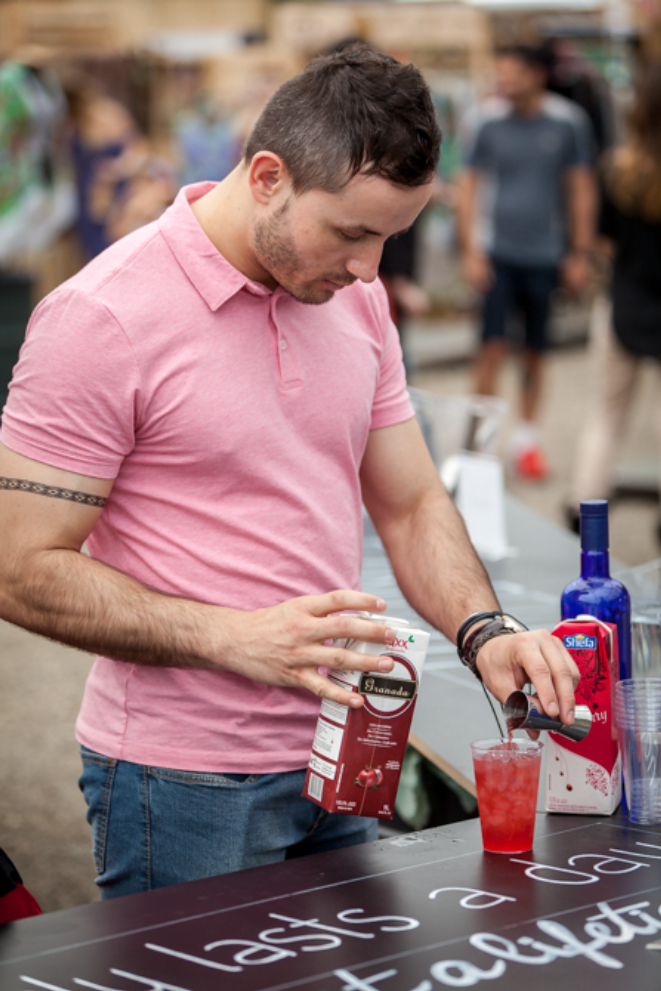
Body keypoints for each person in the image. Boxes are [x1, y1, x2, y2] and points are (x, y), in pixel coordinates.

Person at [0, 45, 579, 899]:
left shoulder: (357, 297)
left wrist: (483, 629)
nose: (368, 269)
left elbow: (414, 501)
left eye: (388, 237)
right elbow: (19, 568)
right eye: (351, 232)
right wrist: (230, 636)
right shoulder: (100, 316)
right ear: (266, 175)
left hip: (350, 744)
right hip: (185, 776)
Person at [456, 44, 596, 480]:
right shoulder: (484, 120)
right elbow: (467, 186)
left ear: (537, 74)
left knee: (535, 352)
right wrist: (471, 252)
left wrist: (579, 253)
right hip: (497, 254)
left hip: (546, 254)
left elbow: (580, 188)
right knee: (490, 348)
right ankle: (480, 447)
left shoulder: (569, 122)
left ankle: (527, 442)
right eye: (500, 73)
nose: (504, 81)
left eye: (513, 73)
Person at [566, 61, 661, 534]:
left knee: (605, 416)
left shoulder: (620, 169)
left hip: (625, 301)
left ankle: (582, 511)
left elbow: (604, 241)